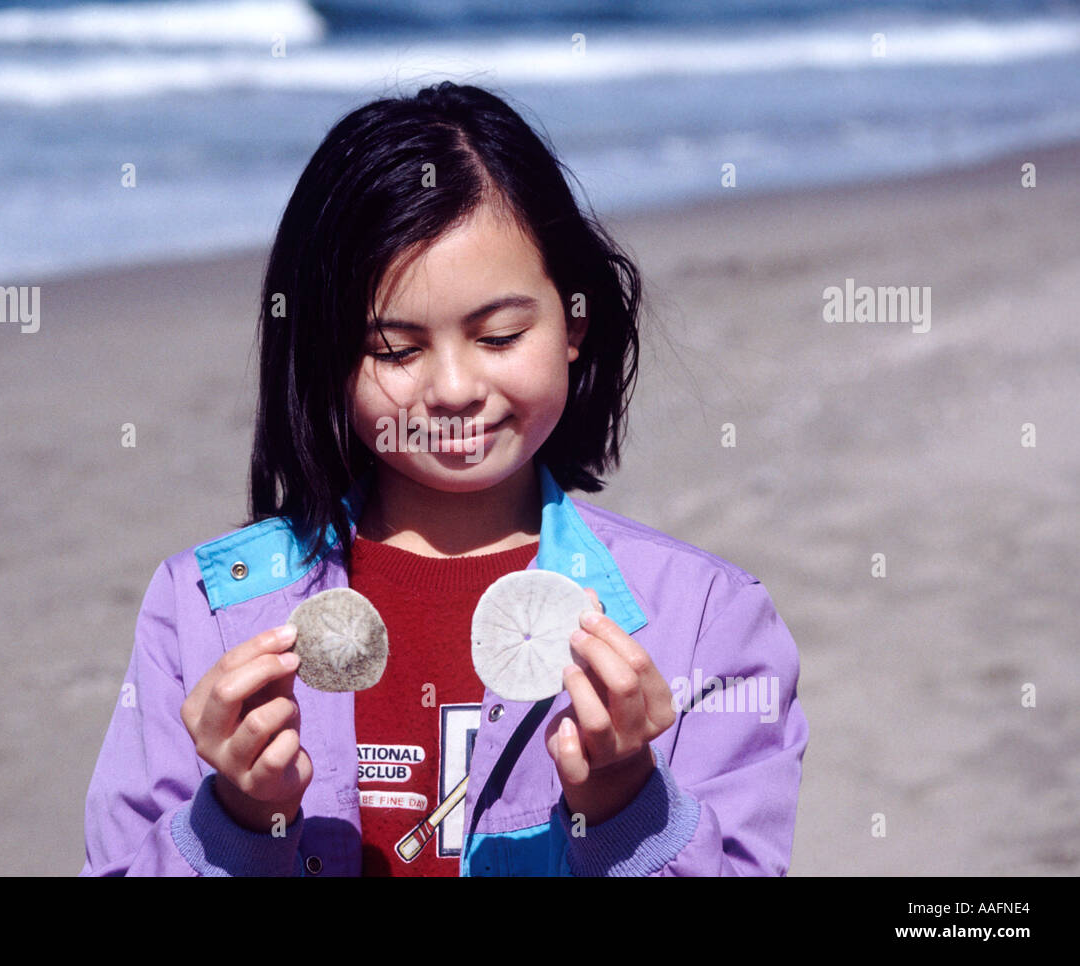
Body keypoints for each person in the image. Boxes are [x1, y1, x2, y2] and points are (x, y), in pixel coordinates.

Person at [80, 81, 808, 876]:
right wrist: (242, 819)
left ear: (574, 322)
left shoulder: (703, 621)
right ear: (326, 357)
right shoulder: (206, 611)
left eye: (499, 335)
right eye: (395, 350)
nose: (454, 387)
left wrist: (628, 803)